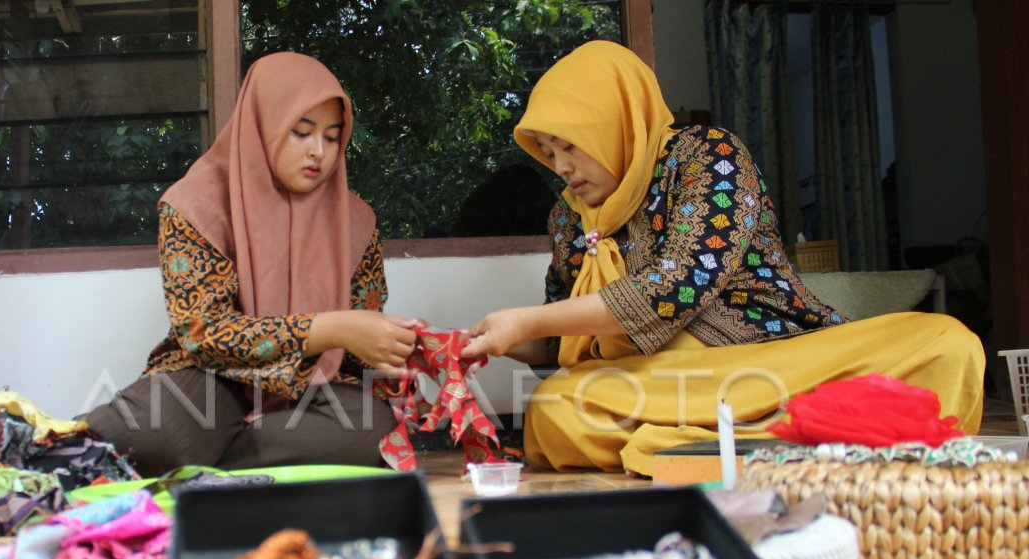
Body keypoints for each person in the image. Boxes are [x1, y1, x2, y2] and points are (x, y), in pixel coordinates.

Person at [461, 41, 984, 476]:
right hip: (665, 384)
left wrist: (524, 319)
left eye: (570, 145)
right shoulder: (569, 219)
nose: (563, 167)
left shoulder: (705, 155)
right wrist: (484, 341)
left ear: (611, 119)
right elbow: (560, 341)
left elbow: (678, 285)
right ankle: (794, 441)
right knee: (555, 411)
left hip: (774, 363)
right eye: (549, 154)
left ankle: (719, 445)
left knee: (946, 345)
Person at [84, 52, 415, 477]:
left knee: (372, 429)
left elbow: (357, 349)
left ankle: (203, 468)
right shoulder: (196, 205)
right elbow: (202, 333)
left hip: (316, 383)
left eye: (333, 137)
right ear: (263, 125)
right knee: (147, 434)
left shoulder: (355, 222)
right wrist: (331, 328)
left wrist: (397, 349)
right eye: (301, 132)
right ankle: (234, 461)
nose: (319, 151)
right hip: (214, 375)